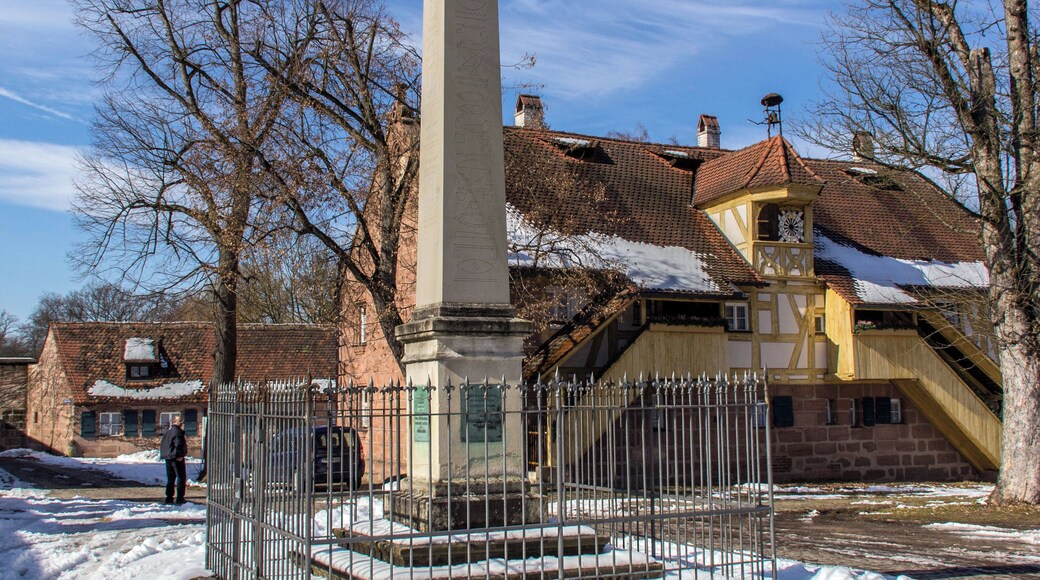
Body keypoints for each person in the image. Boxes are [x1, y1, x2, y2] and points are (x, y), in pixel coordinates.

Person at [160, 414, 187, 504]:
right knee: (181, 477)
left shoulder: (169, 432)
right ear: (175, 422)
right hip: (175, 457)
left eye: (182, 421)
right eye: (179, 421)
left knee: (171, 479)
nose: (181, 423)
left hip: (168, 457)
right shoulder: (177, 432)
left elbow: (164, 444)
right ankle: (180, 498)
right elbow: (178, 444)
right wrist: (179, 455)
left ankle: (169, 497)